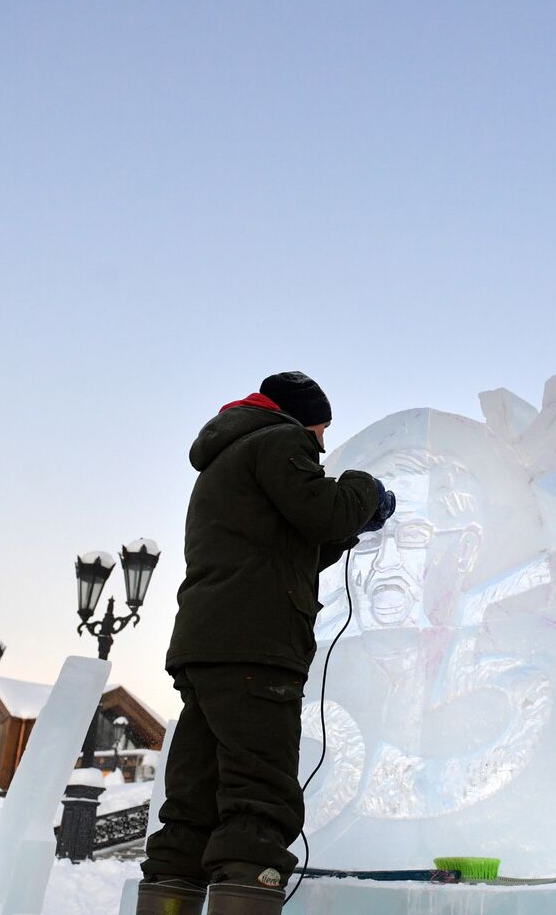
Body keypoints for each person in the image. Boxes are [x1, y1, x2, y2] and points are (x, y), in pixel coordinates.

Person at [138, 372, 394, 915]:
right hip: (257, 648)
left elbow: (291, 546)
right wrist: (365, 490)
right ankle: (247, 892)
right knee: (259, 794)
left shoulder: (226, 461)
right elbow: (323, 510)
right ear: (301, 417)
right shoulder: (279, 440)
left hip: (208, 647)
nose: (321, 444)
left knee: (194, 800)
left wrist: (349, 529)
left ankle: (168, 894)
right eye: (321, 430)